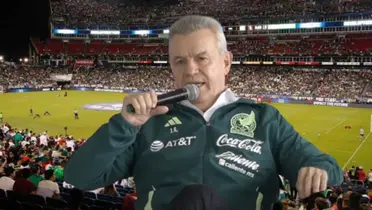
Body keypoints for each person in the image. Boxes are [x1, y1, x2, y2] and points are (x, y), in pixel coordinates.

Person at [65, 15, 343, 210]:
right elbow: (80, 177)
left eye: (201, 58)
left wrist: (317, 170)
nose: (190, 70)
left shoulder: (265, 119)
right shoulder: (147, 124)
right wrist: (124, 124)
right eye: (179, 61)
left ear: (225, 62)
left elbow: (323, 165)